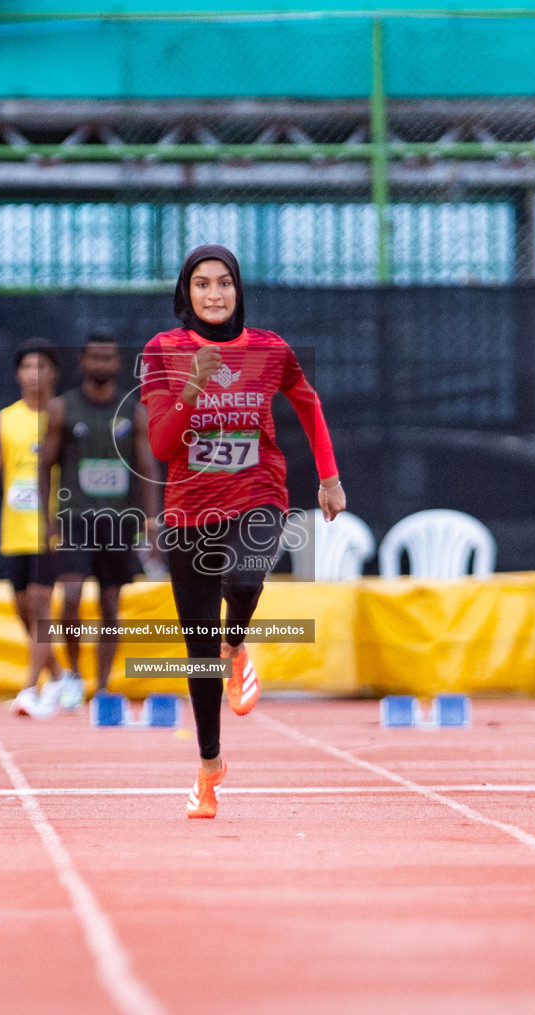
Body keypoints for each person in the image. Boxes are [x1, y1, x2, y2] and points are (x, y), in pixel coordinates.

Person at [140, 244, 344, 819]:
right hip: (188, 508)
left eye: (224, 283)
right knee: (196, 651)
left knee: (245, 576)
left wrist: (329, 478)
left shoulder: (269, 349)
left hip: (258, 493)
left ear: (238, 291)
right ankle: (209, 766)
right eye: (202, 284)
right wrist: (192, 387)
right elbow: (159, 446)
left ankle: (238, 645)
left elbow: (309, 404)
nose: (214, 294)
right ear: (186, 293)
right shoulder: (164, 350)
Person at [38, 330, 161, 705]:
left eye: (109, 358)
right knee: (71, 596)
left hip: (119, 519)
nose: (102, 364)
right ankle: (74, 673)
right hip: (76, 517)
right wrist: (48, 521)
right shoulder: (63, 408)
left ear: (118, 363)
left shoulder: (133, 411)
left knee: (111, 604)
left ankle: (103, 686)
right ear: (83, 362)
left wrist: (152, 523)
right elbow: (44, 466)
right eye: (95, 357)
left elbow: (147, 467)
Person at [0, 339, 72, 718]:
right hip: (16, 530)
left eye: (42, 366)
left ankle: (30, 688)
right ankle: (60, 675)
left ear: (55, 373)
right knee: (23, 608)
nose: (34, 374)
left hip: (54, 527)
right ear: (17, 374)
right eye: (27, 367)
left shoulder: (64, 415)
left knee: (43, 604)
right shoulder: (4, 420)